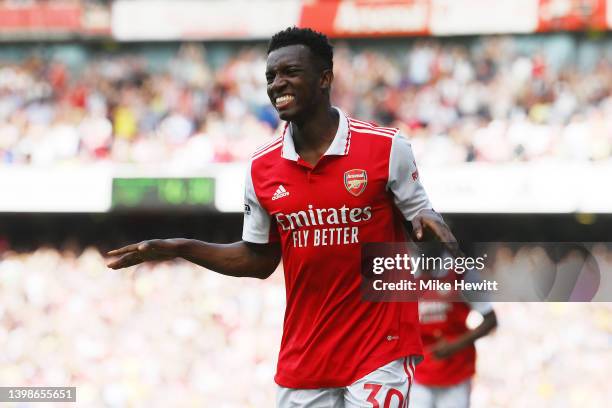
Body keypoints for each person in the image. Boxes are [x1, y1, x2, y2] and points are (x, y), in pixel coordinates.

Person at [108, 27, 459, 408]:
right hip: (306, 356)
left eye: (290, 72)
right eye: (270, 77)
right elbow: (259, 259)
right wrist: (181, 247)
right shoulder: (262, 167)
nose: (277, 84)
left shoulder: (386, 147)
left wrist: (429, 228)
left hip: (379, 349)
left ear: (325, 78)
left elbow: (423, 218)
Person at [412, 265, 497, 408]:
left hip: (456, 372)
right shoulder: (402, 274)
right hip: (418, 375)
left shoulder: (463, 273)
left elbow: (491, 319)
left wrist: (455, 345)